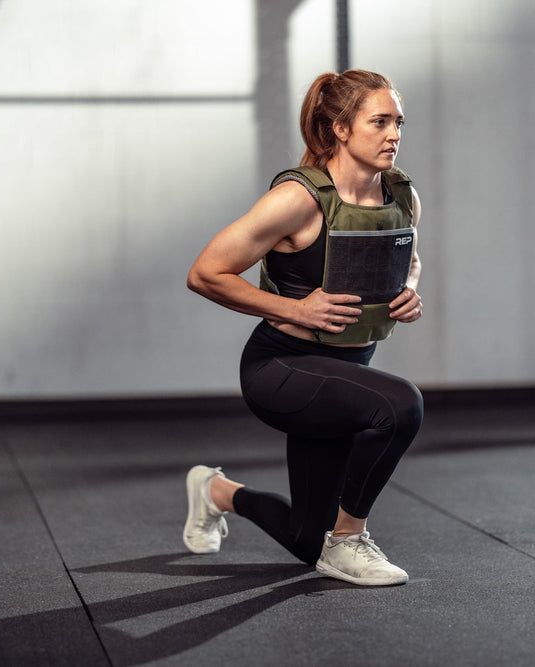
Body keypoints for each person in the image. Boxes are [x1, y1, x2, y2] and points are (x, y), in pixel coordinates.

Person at [184, 70, 424, 586]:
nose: (394, 134)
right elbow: (205, 273)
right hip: (282, 369)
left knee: (301, 540)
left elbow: (408, 261)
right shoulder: (298, 200)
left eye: (398, 122)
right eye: (379, 121)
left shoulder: (401, 195)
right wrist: (294, 309)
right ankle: (349, 540)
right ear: (340, 128)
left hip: (345, 374)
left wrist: (407, 292)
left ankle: (215, 492)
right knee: (401, 405)